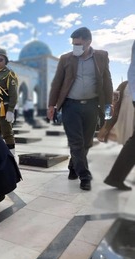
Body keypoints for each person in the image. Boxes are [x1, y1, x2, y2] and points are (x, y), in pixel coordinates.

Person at [47, 27, 113, 191]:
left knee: (87, 143)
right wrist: (51, 105)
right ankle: (85, 176)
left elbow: (107, 81)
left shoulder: (101, 56)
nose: (74, 47)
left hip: (91, 105)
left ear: (88, 42)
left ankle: (73, 166)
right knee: (76, 142)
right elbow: (57, 82)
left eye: (78, 44)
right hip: (70, 106)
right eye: (73, 44)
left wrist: (108, 104)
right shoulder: (66, 59)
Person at [103, 40, 135, 191]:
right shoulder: (124, 87)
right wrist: (106, 124)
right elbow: (112, 105)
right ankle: (115, 177)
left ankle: (115, 177)